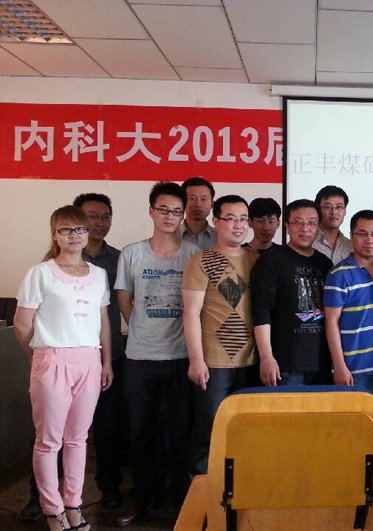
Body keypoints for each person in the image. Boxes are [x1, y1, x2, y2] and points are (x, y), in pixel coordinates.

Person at [14, 205, 113, 531]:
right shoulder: (40, 273)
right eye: (66, 230)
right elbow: (22, 324)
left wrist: (106, 362)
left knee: (78, 439)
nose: (74, 236)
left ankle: (73, 505)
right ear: (55, 235)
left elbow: (103, 322)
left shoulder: (98, 274)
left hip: (90, 360)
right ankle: (52, 510)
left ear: (87, 233)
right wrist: (38, 357)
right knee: (48, 441)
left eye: (79, 229)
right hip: (52, 359)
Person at [115, 182, 200, 526]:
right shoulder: (132, 253)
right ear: (151, 211)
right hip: (140, 358)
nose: (169, 216)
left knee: (181, 432)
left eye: (176, 211)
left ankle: (182, 498)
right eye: (163, 209)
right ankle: (142, 497)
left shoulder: (193, 253)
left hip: (181, 357)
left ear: (183, 215)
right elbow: (125, 300)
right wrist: (142, 329)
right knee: (140, 432)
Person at [184, 195, 258, 476]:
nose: (238, 225)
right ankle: (200, 495)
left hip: (251, 362)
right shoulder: (201, 261)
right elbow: (191, 314)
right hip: (214, 365)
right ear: (216, 221)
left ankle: (237, 493)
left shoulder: (256, 260)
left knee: (246, 434)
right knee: (209, 432)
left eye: (243, 219)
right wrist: (196, 361)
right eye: (231, 218)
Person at [324, 210, 373, 451]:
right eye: (362, 234)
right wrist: (339, 366)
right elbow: (331, 323)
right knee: (353, 435)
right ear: (351, 236)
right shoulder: (339, 274)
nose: (369, 240)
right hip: (354, 371)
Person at [73, 193, 125, 509]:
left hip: (111, 354)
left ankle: (110, 489)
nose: (100, 222)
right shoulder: (59, 259)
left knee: (109, 427)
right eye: (92, 216)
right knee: (61, 429)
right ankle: (42, 496)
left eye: (105, 216)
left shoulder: (119, 259)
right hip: (72, 355)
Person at [251, 199, 333, 386]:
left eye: (311, 223)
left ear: (318, 227)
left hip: (322, 363)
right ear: (287, 226)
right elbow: (261, 310)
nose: (305, 229)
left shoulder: (325, 263)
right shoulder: (272, 260)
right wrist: (266, 357)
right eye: (298, 222)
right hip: (285, 365)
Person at [312, 185, 353, 264]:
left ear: (345, 211)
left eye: (339, 207)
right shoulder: (308, 242)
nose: (334, 212)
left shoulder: (351, 247)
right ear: (318, 210)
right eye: (328, 207)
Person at [180, 177, 216, 250]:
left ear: (212, 204)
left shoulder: (221, 238)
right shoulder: (170, 236)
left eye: (203, 199)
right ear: (181, 202)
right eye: (192, 198)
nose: (198, 204)